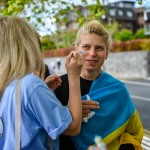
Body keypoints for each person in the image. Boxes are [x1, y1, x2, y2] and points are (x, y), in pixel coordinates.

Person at [54, 20, 144, 150]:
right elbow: (44, 128)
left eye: (99, 48)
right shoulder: (58, 86)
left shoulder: (118, 90)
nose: (92, 53)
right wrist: (69, 113)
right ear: (76, 49)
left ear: (107, 53)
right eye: (86, 47)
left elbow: (135, 133)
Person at [0, 16, 83, 150]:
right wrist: (74, 76)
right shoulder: (30, 85)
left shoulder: (7, 84)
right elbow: (73, 127)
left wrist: (43, 90)